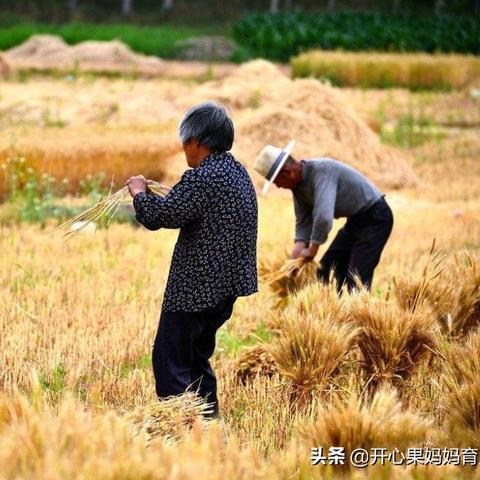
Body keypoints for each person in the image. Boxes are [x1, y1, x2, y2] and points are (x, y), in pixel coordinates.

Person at [126, 102, 258, 418]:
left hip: (195, 290)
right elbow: (190, 206)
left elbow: (163, 216)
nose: (184, 149)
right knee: (196, 356)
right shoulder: (236, 173)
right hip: (226, 289)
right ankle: (208, 424)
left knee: (169, 357)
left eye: (185, 142)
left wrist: (139, 193)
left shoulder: (203, 178)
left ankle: (179, 426)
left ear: (196, 142)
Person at [253, 140, 393, 293]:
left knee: (357, 277)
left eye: (276, 182)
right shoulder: (297, 188)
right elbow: (303, 224)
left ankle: (362, 315)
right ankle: (331, 315)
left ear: (287, 172)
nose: (278, 186)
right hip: (355, 221)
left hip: (376, 218)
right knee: (324, 272)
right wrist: (294, 261)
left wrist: (312, 250)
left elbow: (323, 218)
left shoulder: (322, 171)